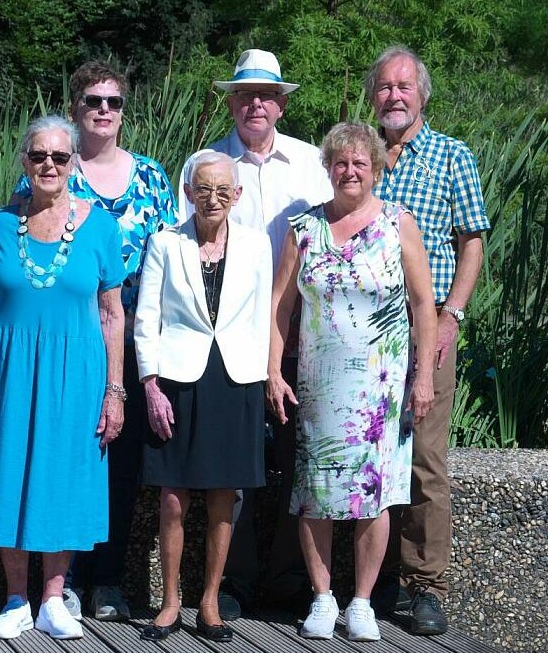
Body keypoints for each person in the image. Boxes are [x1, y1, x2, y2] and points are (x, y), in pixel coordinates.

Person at [13, 60, 178, 622]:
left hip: (131, 341)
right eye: (92, 100)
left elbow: (171, 261)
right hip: (62, 341)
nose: (104, 109)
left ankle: (108, 578)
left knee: (121, 460)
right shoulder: (52, 166)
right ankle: (64, 584)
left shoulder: (153, 177)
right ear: (76, 106)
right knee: (63, 455)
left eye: (114, 101)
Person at [0, 115, 126, 641]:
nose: (48, 165)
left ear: (74, 162)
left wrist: (115, 390)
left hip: (76, 370)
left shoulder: (99, 226)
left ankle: (53, 597)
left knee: (65, 474)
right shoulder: (4, 225)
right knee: (8, 471)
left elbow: (112, 313)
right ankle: (14, 599)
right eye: (37, 156)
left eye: (59, 156)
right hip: (8, 370)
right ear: (24, 163)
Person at [267, 121, 436, 641]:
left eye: (360, 162)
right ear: (328, 168)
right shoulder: (304, 229)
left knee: (375, 493)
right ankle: (322, 598)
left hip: (380, 389)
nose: (349, 171)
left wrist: (423, 375)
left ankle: (361, 602)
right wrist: (273, 371)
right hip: (318, 383)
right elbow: (280, 306)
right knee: (314, 490)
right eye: (340, 162)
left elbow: (423, 303)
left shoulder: (398, 224)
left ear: (377, 168)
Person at [180, 48, 332, 617]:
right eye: (245, 95)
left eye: (266, 94)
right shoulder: (207, 163)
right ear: (231, 102)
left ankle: (292, 578)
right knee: (234, 457)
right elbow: (186, 247)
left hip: (304, 327)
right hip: (228, 333)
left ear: (282, 104)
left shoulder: (312, 162)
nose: (256, 104)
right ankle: (234, 582)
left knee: (303, 453)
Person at [366, 45, 490, 635]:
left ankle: (425, 586)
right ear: (374, 95)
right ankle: (368, 580)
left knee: (424, 461)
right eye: (385, 87)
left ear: (422, 94)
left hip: (428, 326)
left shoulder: (451, 156)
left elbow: (472, 243)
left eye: (404, 87)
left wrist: (451, 317)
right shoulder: (357, 154)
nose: (394, 96)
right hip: (360, 328)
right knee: (361, 450)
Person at [135, 151, 272, 643]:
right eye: (203, 188)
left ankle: (210, 602)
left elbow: (261, 321)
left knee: (224, 496)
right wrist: (150, 384)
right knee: (173, 497)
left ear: (236, 196)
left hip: (235, 381)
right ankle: (170, 602)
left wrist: (261, 381)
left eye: (222, 190)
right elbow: (146, 318)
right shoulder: (164, 243)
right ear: (188, 192)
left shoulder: (257, 246)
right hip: (177, 378)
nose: (212, 198)